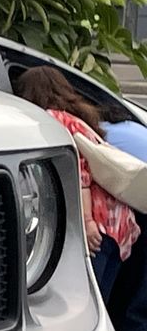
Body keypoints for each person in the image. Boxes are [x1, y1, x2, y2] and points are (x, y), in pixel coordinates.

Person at [14, 66, 137, 296]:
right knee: (102, 303)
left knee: (86, 301)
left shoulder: (52, 121)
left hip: (97, 226)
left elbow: (81, 177)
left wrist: (88, 222)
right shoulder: (79, 119)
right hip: (118, 224)